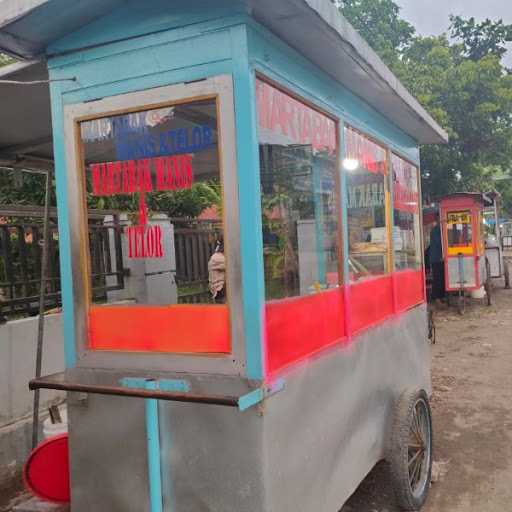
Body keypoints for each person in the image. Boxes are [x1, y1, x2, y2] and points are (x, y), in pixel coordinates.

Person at [429, 213, 445, 303]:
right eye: (440, 218)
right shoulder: (435, 231)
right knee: (437, 278)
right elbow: (439, 244)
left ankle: (442, 296)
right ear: (438, 219)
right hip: (436, 258)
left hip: (442, 258)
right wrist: (441, 256)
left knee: (443, 278)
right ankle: (436, 297)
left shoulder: (443, 229)